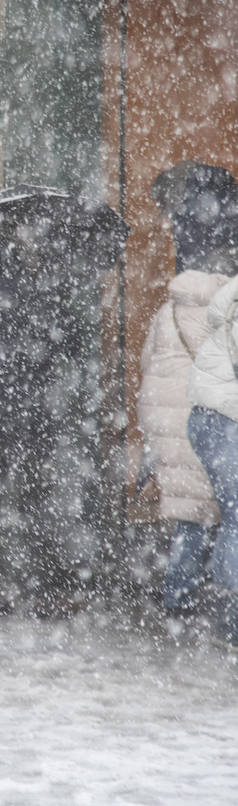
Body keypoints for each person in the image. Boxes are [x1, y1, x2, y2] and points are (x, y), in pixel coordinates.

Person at [139, 268, 227, 629]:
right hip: (206, 414)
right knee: (218, 511)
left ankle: (178, 595)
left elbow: (148, 360)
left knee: (189, 512)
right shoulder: (226, 312)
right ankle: (212, 593)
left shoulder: (168, 311)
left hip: (166, 413)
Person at [186, 274, 238, 650]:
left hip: (211, 419)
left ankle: (226, 620)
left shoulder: (228, 315)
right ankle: (229, 624)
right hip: (226, 422)